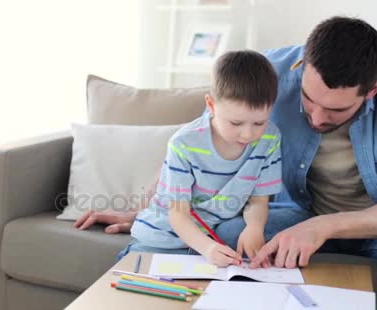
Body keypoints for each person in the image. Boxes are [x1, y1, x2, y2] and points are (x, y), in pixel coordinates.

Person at [75, 16, 377, 309]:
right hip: (299, 216)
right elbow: (195, 142)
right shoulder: (269, 73)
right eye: (309, 99)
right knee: (221, 239)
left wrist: (324, 227)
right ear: (301, 66)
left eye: (337, 109)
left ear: (372, 90)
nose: (318, 117)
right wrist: (146, 211)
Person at [121, 50, 283, 267]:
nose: (248, 134)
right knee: (134, 281)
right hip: (164, 237)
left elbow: (258, 200)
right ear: (211, 105)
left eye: (259, 123)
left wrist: (254, 228)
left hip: (212, 240)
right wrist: (208, 248)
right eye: (236, 123)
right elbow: (178, 214)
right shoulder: (184, 144)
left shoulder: (270, 138)